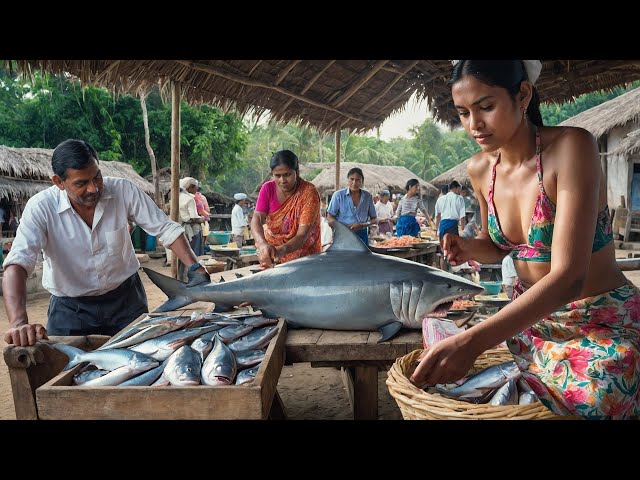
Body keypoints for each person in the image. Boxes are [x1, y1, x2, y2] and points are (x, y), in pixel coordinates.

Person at [411, 60, 639, 418]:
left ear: (522, 94)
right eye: (463, 113)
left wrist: (474, 340)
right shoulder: (480, 168)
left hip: (600, 323)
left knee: (601, 393)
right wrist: (468, 247)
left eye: (486, 107)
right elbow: (500, 245)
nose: (475, 125)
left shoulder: (571, 148)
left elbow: (568, 278)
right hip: (533, 326)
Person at [2, 139, 209, 347]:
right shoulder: (41, 208)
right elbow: (18, 264)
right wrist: (19, 322)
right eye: (81, 183)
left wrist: (195, 266)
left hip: (126, 302)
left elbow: (165, 228)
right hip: (70, 310)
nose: (93, 188)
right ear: (58, 182)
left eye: (97, 177)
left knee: (139, 365)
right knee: (68, 372)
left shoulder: (123, 190)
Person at [251, 150, 322, 268]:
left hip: (304, 258)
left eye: (287, 174)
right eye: (277, 176)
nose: (282, 180)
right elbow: (257, 219)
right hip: (271, 255)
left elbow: (302, 236)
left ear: (297, 172)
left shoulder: (309, 193)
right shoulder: (267, 188)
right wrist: (263, 244)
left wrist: (280, 251)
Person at [327, 167, 377, 245]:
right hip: (343, 235)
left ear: (362, 182)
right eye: (352, 179)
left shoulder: (368, 197)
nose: (354, 183)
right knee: (344, 257)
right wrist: (342, 227)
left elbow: (374, 219)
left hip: (362, 235)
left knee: (361, 257)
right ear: (348, 180)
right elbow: (330, 217)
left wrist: (362, 225)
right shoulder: (338, 195)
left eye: (358, 180)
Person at [178, 177, 205, 267]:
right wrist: (202, 219)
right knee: (193, 253)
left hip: (180, 228)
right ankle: (194, 271)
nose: (196, 189)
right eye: (195, 187)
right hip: (191, 230)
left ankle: (183, 273)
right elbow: (194, 218)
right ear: (191, 187)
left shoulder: (177, 196)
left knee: (183, 252)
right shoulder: (190, 199)